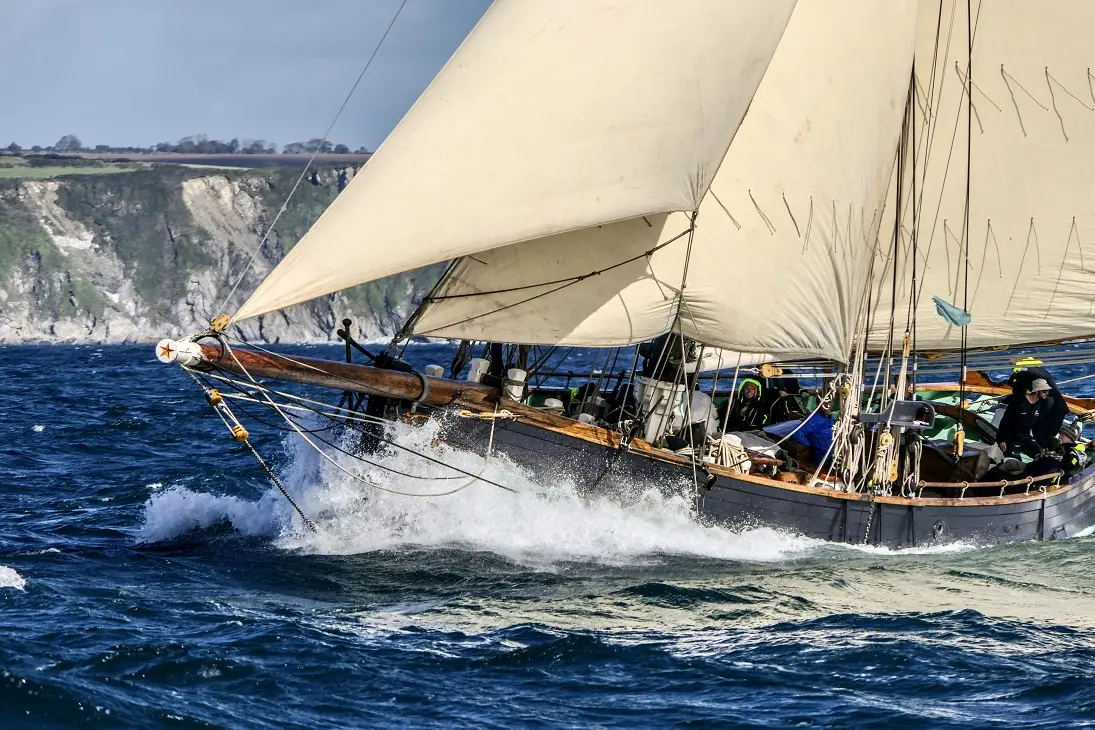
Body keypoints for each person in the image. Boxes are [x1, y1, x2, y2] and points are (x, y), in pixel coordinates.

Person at [1007, 360, 1067, 446]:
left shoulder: (1025, 374)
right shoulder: (1039, 372)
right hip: (1057, 407)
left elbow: (1016, 388)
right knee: (1042, 434)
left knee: (1041, 434)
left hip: (1053, 408)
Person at [996, 377, 1052, 459]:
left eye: (1048, 391)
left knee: (1043, 457)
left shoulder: (1040, 406)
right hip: (1011, 440)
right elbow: (1005, 422)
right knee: (1015, 462)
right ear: (1036, 391)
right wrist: (1001, 440)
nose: (1047, 393)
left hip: (1026, 439)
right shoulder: (1019, 402)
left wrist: (1044, 444)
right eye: (1044, 391)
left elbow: (1038, 427)